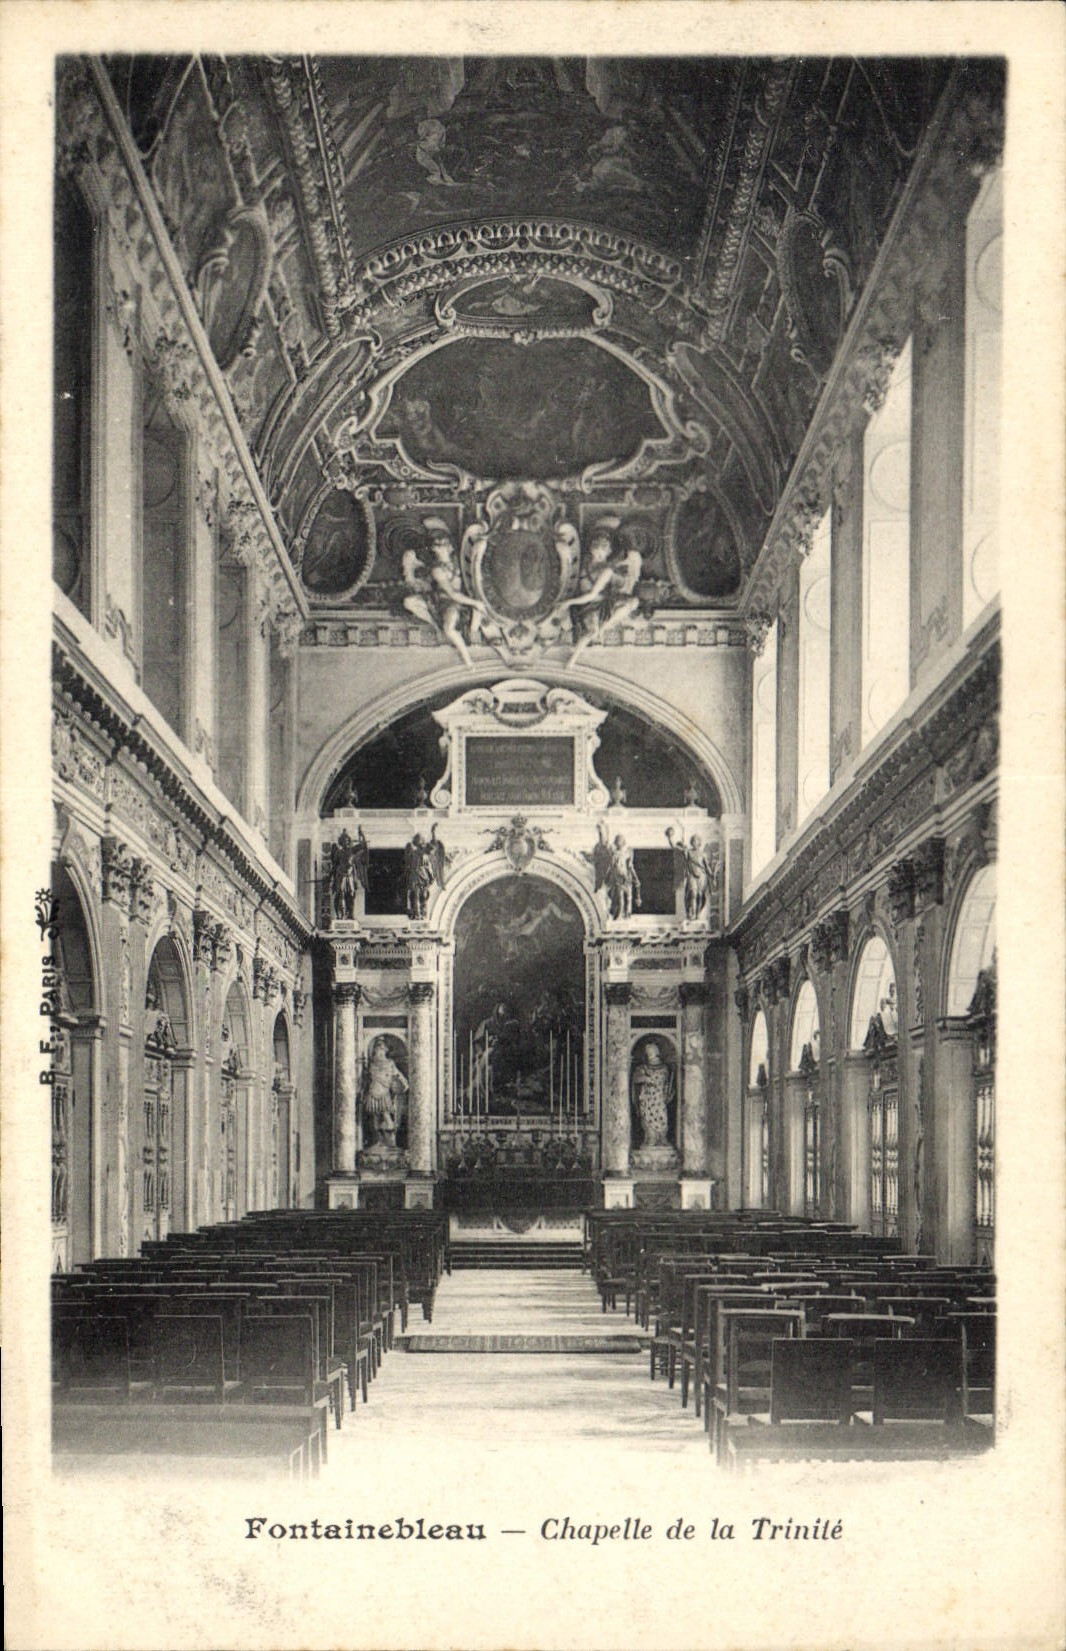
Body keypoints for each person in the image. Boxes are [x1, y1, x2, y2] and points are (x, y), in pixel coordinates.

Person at [360, 1038, 409, 1150]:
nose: (379, 1051)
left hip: (384, 1092)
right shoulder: (372, 1063)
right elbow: (366, 1078)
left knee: (387, 1116)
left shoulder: (389, 1063)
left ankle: (391, 1141)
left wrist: (404, 1083)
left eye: (381, 1048)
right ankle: (378, 1141)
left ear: (385, 1050)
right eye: (377, 1048)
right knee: (375, 1118)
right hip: (373, 1092)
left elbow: (397, 1074)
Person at [631, 1041, 674, 1148]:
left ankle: (661, 1138)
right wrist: (645, 1078)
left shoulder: (664, 1068)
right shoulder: (643, 1067)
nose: (649, 1053)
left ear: (656, 1052)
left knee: (661, 1117)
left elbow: (662, 1078)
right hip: (647, 1097)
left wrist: (649, 1078)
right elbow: (636, 1078)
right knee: (646, 1117)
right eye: (647, 1051)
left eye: (651, 1050)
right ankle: (651, 1138)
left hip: (658, 1098)